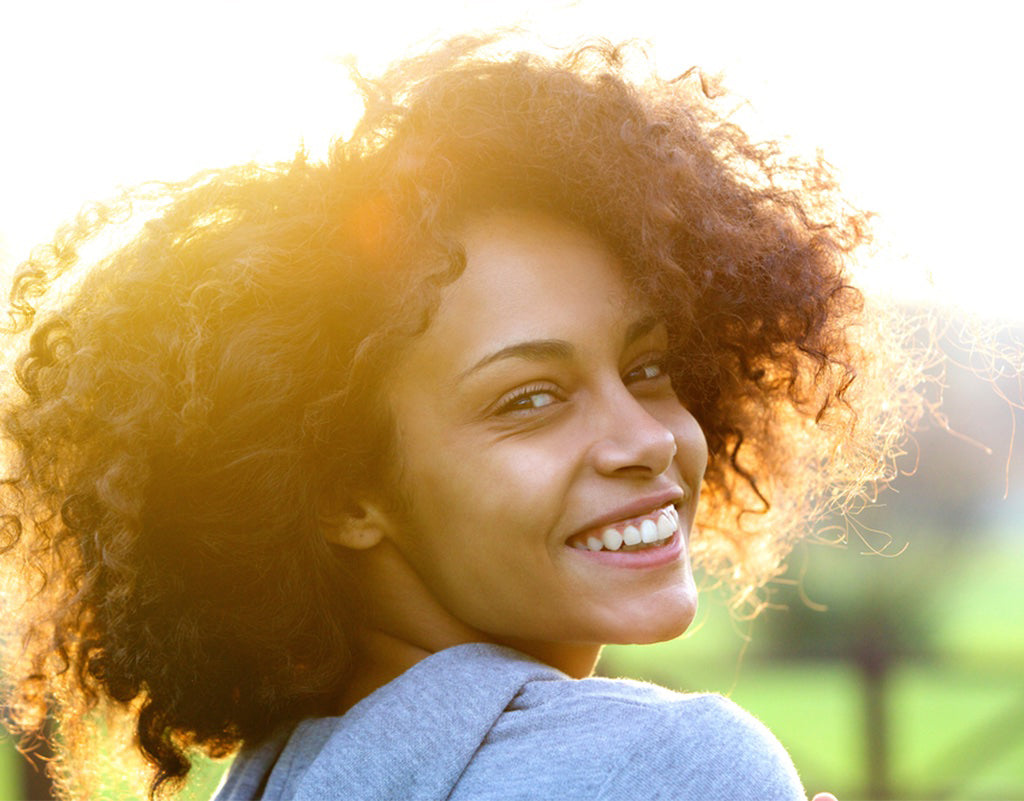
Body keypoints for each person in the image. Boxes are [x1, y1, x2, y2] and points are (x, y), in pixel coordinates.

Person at [0, 35, 922, 800]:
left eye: (646, 368)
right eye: (529, 398)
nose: (646, 438)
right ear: (345, 489)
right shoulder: (670, 769)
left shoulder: (277, 776)